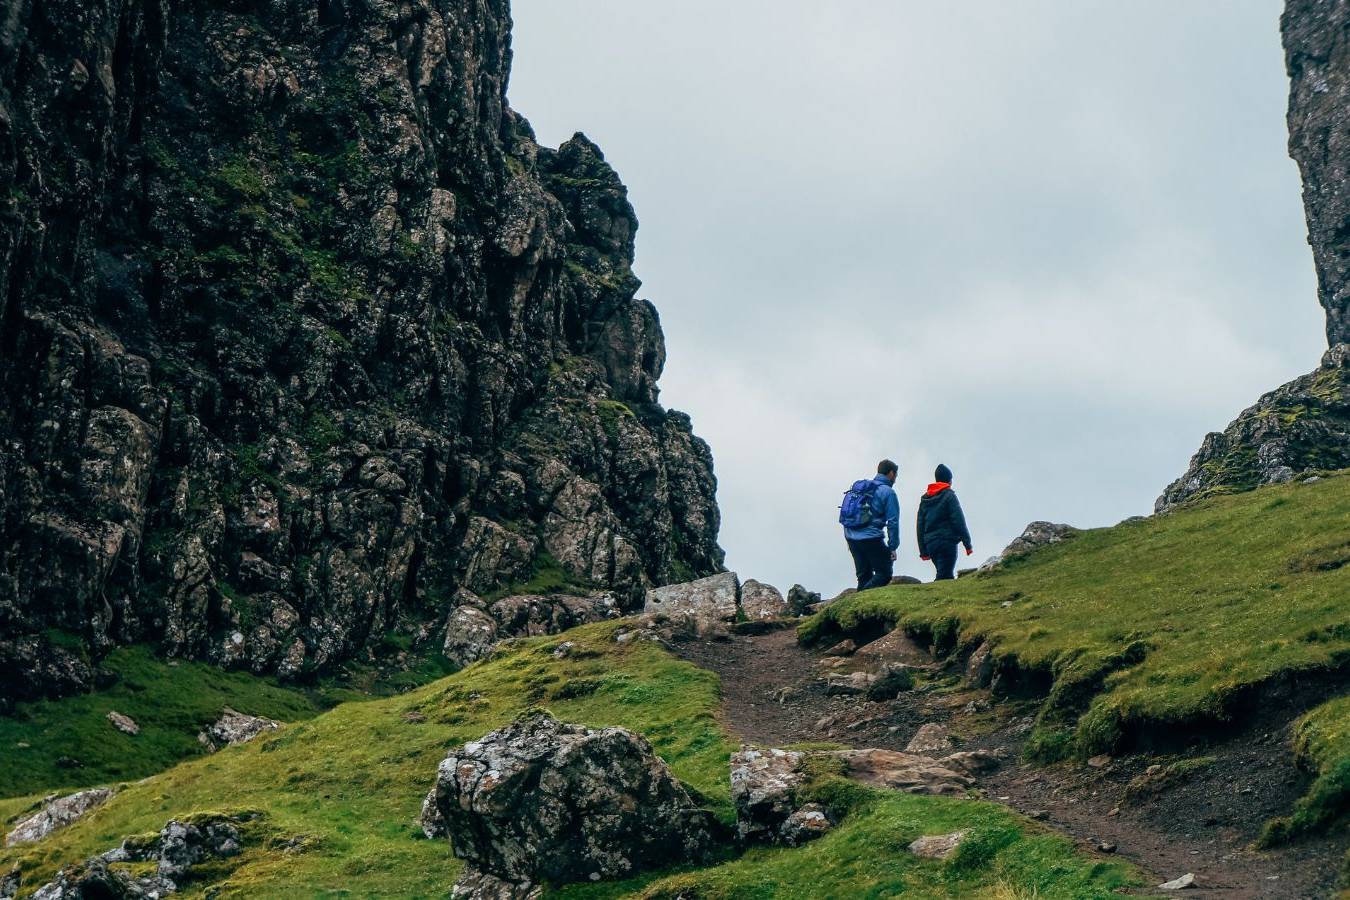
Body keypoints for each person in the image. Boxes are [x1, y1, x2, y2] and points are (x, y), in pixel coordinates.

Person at [840, 459, 901, 591]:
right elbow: (893, 522)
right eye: (895, 476)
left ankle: (856, 606)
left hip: (851, 536)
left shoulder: (863, 488)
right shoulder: (888, 492)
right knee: (884, 573)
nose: (895, 479)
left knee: (864, 576)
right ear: (891, 473)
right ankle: (859, 600)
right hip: (870, 537)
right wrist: (893, 547)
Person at [916, 463, 972, 581]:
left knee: (944, 573)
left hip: (931, 544)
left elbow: (920, 526)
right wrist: (967, 544)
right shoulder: (949, 495)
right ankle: (932, 597)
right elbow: (958, 520)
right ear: (949, 481)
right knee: (944, 576)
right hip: (947, 542)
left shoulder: (925, 499)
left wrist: (923, 551)